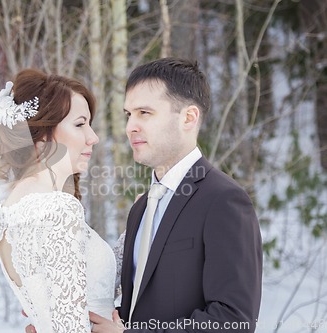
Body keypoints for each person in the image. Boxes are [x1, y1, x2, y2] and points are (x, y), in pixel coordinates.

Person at [89, 58, 263, 332]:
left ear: (188, 117)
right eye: (128, 114)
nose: (130, 126)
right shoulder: (141, 208)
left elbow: (234, 320)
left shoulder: (224, 200)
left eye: (144, 113)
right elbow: (138, 309)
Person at [0, 69, 118, 333]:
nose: (93, 137)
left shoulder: (9, 210)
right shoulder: (58, 209)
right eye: (80, 124)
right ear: (43, 133)